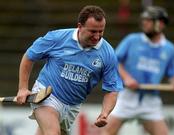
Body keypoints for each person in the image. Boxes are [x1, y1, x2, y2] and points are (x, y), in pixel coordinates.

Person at [16, 5, 123, 135]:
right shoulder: (57, 38)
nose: (97, 36)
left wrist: (105, 113)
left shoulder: (108, 53)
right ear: (80, 26)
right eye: (93, 31)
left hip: (73, 106)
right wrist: (22, 88)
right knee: (52, 133)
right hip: (46, 95)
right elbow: (29, 56)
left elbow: (112, 89)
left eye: (101, 31)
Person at [102, 6, 174, 135]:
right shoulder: (132, 40)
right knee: (106, 132)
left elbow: (172, 72)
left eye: (149, 20)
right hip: (127, 97)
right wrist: (127, 78)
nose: (144, 23)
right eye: (144, 20)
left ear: (160, 24)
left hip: (151, 101)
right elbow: (114, 61)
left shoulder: (169, 48)